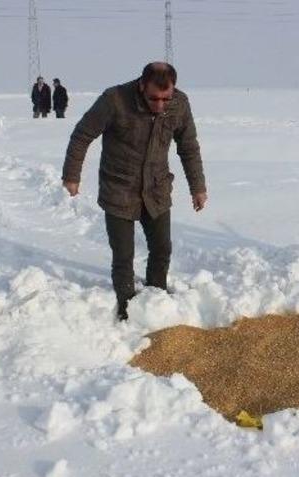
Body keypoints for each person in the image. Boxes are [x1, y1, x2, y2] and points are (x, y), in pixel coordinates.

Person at [61, 62, 207, 320]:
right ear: (141, 86)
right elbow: (82, 135)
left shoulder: (180, 104)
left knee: (162, 249)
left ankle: (156, 299)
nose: (160, 105)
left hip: (156, 189)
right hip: (119, 189)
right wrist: (72, 175)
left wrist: (198, 187)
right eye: (154, 98)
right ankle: (126, 309)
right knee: (123, 255)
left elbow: (188, 147)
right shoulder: (114, 100)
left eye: (166, 98)